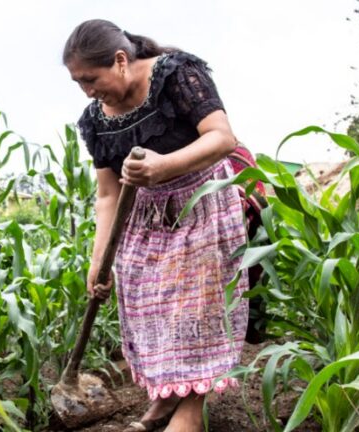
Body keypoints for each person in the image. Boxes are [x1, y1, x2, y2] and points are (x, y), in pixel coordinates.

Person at [64, 20, 248, 432]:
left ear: (120, 60)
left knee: (192, 305)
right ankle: (164, 399)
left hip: (201, 200)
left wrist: (163, 166)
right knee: (145, 299)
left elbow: (221, 138)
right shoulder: (94, 121)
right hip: (147, 214)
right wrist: (99, 261)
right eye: (78, 83)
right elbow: (109, 194)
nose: (87, 90)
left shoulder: (176, 75)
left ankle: (191, 411)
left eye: (91, 79)